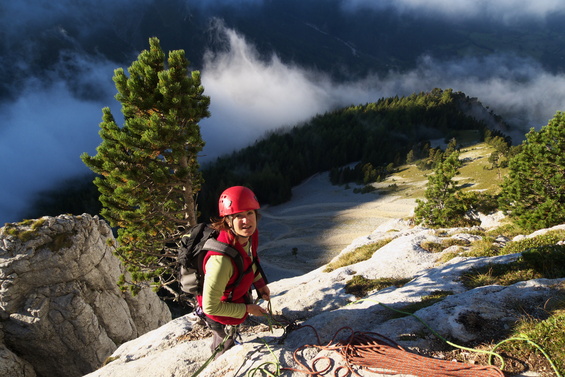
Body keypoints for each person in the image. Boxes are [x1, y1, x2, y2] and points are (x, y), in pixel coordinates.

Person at [196, 186, 270, 355]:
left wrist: (259, 284)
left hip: (234, 297)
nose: (246, 221)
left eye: (250, 213)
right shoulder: (221, 260)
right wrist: (247, 309)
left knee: (233, 332)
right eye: (238, 216)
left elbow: (249, 259)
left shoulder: (249, 236)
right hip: (218, 310)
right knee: (224, 347)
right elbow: (211, 307)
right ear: (228, 221)